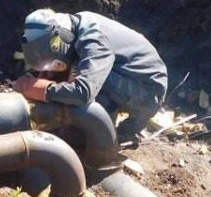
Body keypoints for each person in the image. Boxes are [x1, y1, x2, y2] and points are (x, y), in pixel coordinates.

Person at [13, 8, 169, 143]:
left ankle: (105, 128)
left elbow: (84, 92)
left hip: (146, 91)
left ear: (60, 38)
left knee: (83, 78)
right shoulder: (72, 25)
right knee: (72, 72)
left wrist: (43, 89)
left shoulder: (93, 40)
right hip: (124, 74)